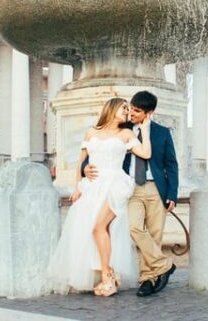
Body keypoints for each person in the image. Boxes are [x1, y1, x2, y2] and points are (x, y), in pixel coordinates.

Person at [47, 97, 147, 297]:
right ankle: (108, 272)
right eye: (123, 108)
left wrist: (144, 129)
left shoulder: (126, 133)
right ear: (111, 109)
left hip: (115, 184)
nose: (127, 112)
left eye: (128, 110)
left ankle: (107, 276)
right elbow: (81, 161)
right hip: (92, 185)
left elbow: (145, 153)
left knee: (98, 227)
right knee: (93, 229)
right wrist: (77, 187)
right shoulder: (91, 132)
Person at [88, 90, 179, 297]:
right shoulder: (123, 129)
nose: (131, 114)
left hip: (156, 188)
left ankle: (148, 279)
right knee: (135, 228)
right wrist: (85, 168)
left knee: (155, 235)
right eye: (130, 109)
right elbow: (99, 148)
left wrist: (172, 194)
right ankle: (165, 265)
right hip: (130, 187)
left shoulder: (162, 132)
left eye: (137, 111)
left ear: (149, 113)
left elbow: (171, 164)